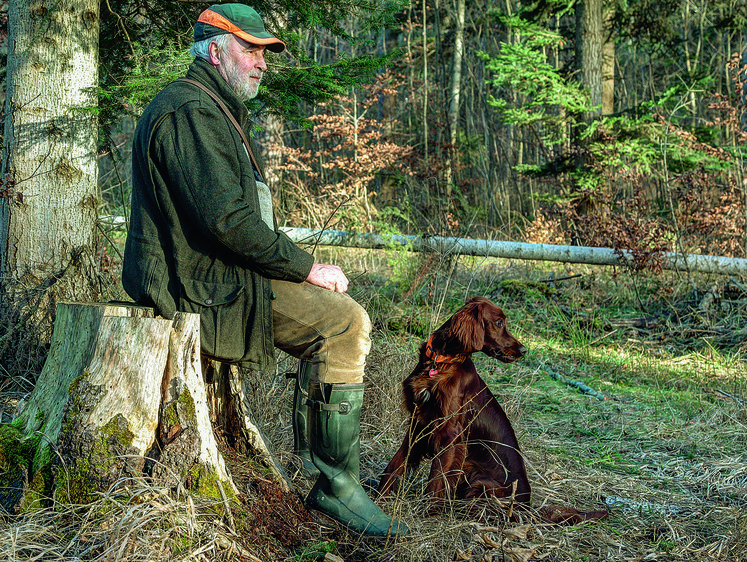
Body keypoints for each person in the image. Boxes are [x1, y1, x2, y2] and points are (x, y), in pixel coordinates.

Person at [122, 3, 406, 537]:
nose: (261, 63)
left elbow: (233, 217)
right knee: (343, 323)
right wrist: (305, 267)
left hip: (223, 274)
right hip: (201, 284)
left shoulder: (213, 106)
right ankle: (336, 486)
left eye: (264, 53)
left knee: (346, 317)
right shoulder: (189, 111)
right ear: (215, 51)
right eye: (250, 50)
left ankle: (333, 479)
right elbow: (226, 219)